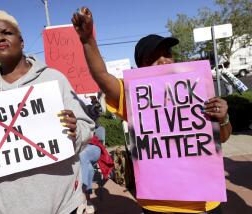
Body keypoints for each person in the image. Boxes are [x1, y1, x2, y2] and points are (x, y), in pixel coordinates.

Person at [72, 7, 232, 214]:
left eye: (167, 54)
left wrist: (224, 118)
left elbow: (223, 137)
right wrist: (87, 41)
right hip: (157, 205)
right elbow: (102, 76)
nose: (164, 61)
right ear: (141, 68)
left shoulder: (197, 90)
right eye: (154, 58)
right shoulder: (134, 97)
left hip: (205, 203)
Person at [0, 10, 95, 214]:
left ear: (22, 41)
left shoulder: (53, 79)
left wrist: (75, 130)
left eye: (6, 32)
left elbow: (86, 127)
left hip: (64, 205)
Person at [77, 97, 113, 214]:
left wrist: (94, 104)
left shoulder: (88, 112)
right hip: (78, 148)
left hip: (94, 147)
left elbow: (96, 111)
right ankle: (84, 200)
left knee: (83, 155)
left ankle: (85, 196)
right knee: (82, 162)